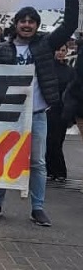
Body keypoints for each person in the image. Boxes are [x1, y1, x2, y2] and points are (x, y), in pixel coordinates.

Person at [0, 0, 78, 227]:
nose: (27, 24)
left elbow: (69, 25)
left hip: (36, 114)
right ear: (16, 24)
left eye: (31, 21)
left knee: (37, 163)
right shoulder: (2, 49)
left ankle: (38, 208)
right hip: (8, 114)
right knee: (3, 158)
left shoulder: (45, 45)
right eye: (23, 21)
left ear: (37, 26)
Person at [46, 44, 75, 183]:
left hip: (62, 110)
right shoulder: (47, 69)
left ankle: (60, 171)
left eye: (63, 50)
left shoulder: (70, 71)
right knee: (48, 141)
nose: (60, 53)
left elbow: (72, 91)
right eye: (58, 50)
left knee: (57, 141)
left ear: (67, 52)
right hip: (47, 109)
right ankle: (50, 171)